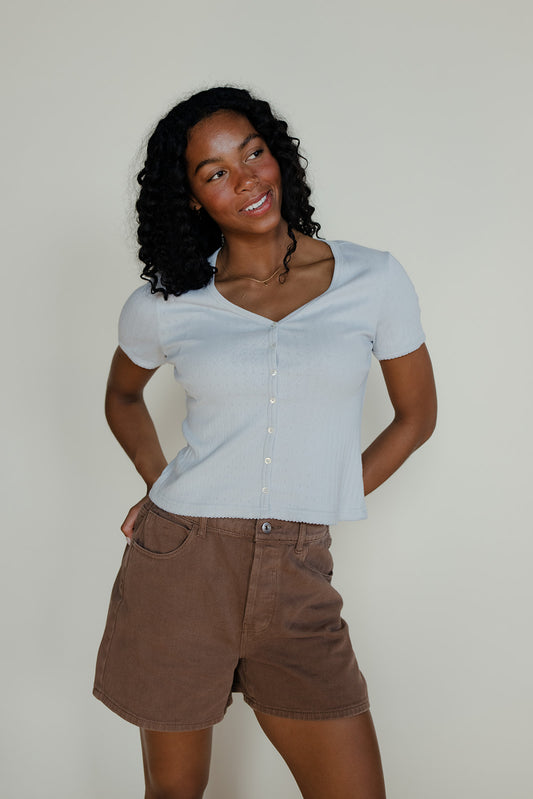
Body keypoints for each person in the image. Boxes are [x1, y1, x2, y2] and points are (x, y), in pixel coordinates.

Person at [93, 86, 437, 799]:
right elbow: (121, 397)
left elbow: (415, 417)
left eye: (252, 153)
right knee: (174, 792)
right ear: (190, 199)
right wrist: (158, 483)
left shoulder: (372, 279)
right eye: (214, 171)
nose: (246, 179)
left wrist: (319, 494)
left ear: (277, 155)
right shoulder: (165, 303)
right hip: (180, 564)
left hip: (297, 567)